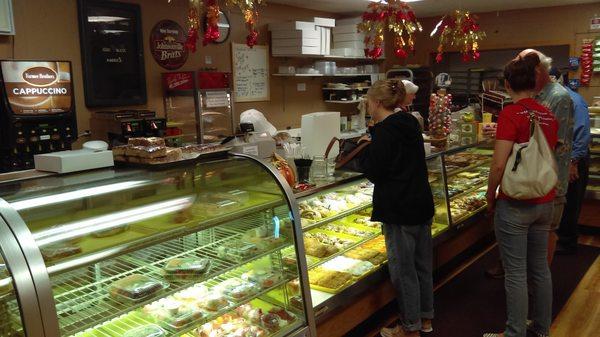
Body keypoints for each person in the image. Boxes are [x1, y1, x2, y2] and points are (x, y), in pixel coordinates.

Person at [483, 53, 558, 337]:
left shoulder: (510, 113)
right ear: (535, 82)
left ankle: (514, 332)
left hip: (515, 204)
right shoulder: (547, 114)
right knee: (540, 269)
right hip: (544, 200)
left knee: (515, 272)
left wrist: (491, 195)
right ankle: (541, 329)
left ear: (506, 84)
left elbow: (499, 163)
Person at [485, 49, 575, 279]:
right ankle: (536, 298)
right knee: (535, 265)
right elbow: (535, 134)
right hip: (538, 187)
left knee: (527, 266)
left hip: (542, 185)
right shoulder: (541, 105)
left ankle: (523, 300)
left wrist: (490, 194)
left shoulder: (557, 98)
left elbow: (557, 146)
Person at [359, 79, 435, 337]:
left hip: (399, 209)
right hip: (421, 204)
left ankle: (409, 327)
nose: (367, 106)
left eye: (368, 101)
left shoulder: (384, 131)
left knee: (404, 272)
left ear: (377, 103)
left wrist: (365, 149)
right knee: (422, 267)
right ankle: (425, 320)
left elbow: (374, 171)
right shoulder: (410, 122)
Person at [548, 68, 592, 254]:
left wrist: (573, 162)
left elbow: (581, 133)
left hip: (574, 159)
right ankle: (559, 239)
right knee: (562, 199)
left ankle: (567, 243)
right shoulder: (556, 99)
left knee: (571, 201)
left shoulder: (573, 100)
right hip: (560, 158)